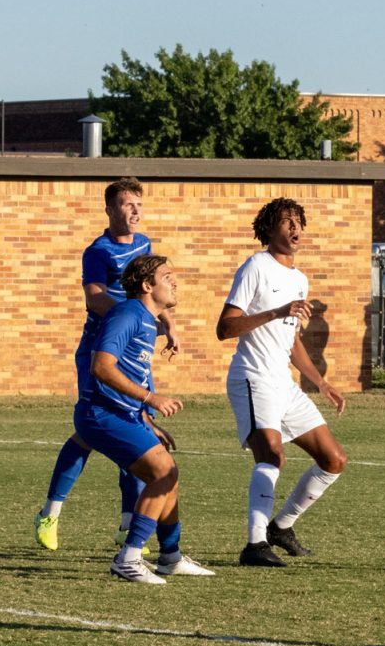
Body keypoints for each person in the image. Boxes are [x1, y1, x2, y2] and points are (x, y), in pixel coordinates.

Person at [34, 177, 180, 553]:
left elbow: (152, 292)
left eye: (139, 205)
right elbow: (95, 299)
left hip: (134, 348)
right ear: (110, 209)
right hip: (101, 349)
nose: (135, 212)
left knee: (134, 428)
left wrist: (166, 323)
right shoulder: (97, 251)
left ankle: (128, 524)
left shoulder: (145, 244)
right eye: (128, 205)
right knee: (90, 432)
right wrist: (135, 316)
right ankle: (50, 514)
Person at [217, 198, 348, 568]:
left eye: (298, 221)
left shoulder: (299, 278)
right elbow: (224, 328)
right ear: (268, 230)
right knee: (272, 456)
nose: (294, 228)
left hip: (284, 384)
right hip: (253, 377)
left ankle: (281, 526)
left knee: (334, 459)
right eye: (286, 222)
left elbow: (292, 341)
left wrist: (320, 382)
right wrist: (275, 311)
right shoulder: (255, 267)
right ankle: (255, 545)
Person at [73, 254, 213, 583]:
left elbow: (133, 373)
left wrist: (149, 422)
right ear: (148, 286)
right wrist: (151, 399)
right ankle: (129, 557)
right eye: (167, 276)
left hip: (125, 414)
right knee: (163, 473)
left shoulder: (148, 321)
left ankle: (170, 557)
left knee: (168, 476)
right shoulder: (127, 313)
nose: (174, 281)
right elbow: (101, 367)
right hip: (100, 414)